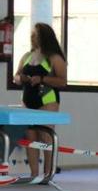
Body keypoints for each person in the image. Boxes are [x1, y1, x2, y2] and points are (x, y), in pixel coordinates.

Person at [11, 23, 68, 178]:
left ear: (44, 36)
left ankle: (48, 173)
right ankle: (34, 174)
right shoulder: (27, 56)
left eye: (36, 34)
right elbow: (15, 76)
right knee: (31, 137)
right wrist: (20, 78)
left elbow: (62, 81)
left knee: (45, 136)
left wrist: (42, 79)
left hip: (47, 100)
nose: (32, 37)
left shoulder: (54, 58)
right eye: (32, 34)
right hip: (28, 100)